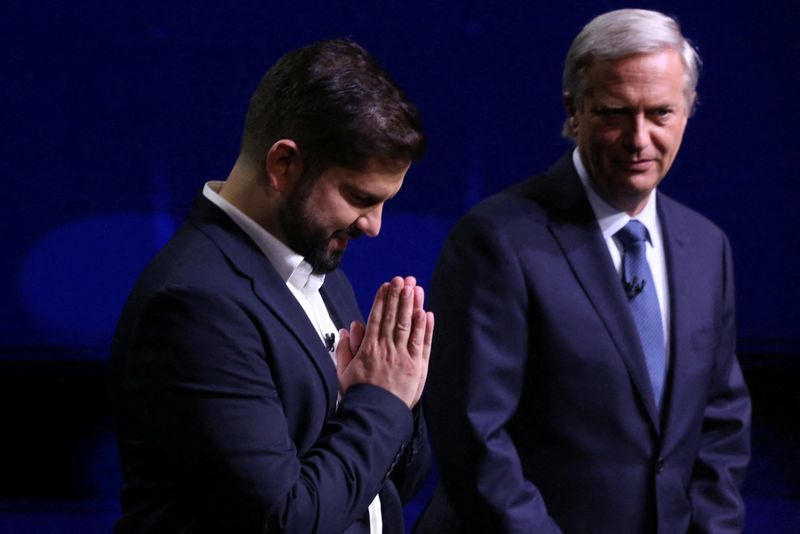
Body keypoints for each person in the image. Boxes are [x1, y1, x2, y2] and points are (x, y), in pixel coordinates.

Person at [415, 9, 750, 534]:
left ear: (689, 110)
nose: (638, 139)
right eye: (615, 113)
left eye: (660, 113)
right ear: (574, 112)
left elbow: (721, 423)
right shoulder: (496, 240)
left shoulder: (708, 247)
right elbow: (474, 439)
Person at [110, 38, 434, 534]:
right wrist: (383, 401)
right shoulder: (195, 305)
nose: (374, 226)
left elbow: (388, 487)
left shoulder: (326, 277)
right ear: (284, 164)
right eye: (360, 197)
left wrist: (400, 395)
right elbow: (284, 521)